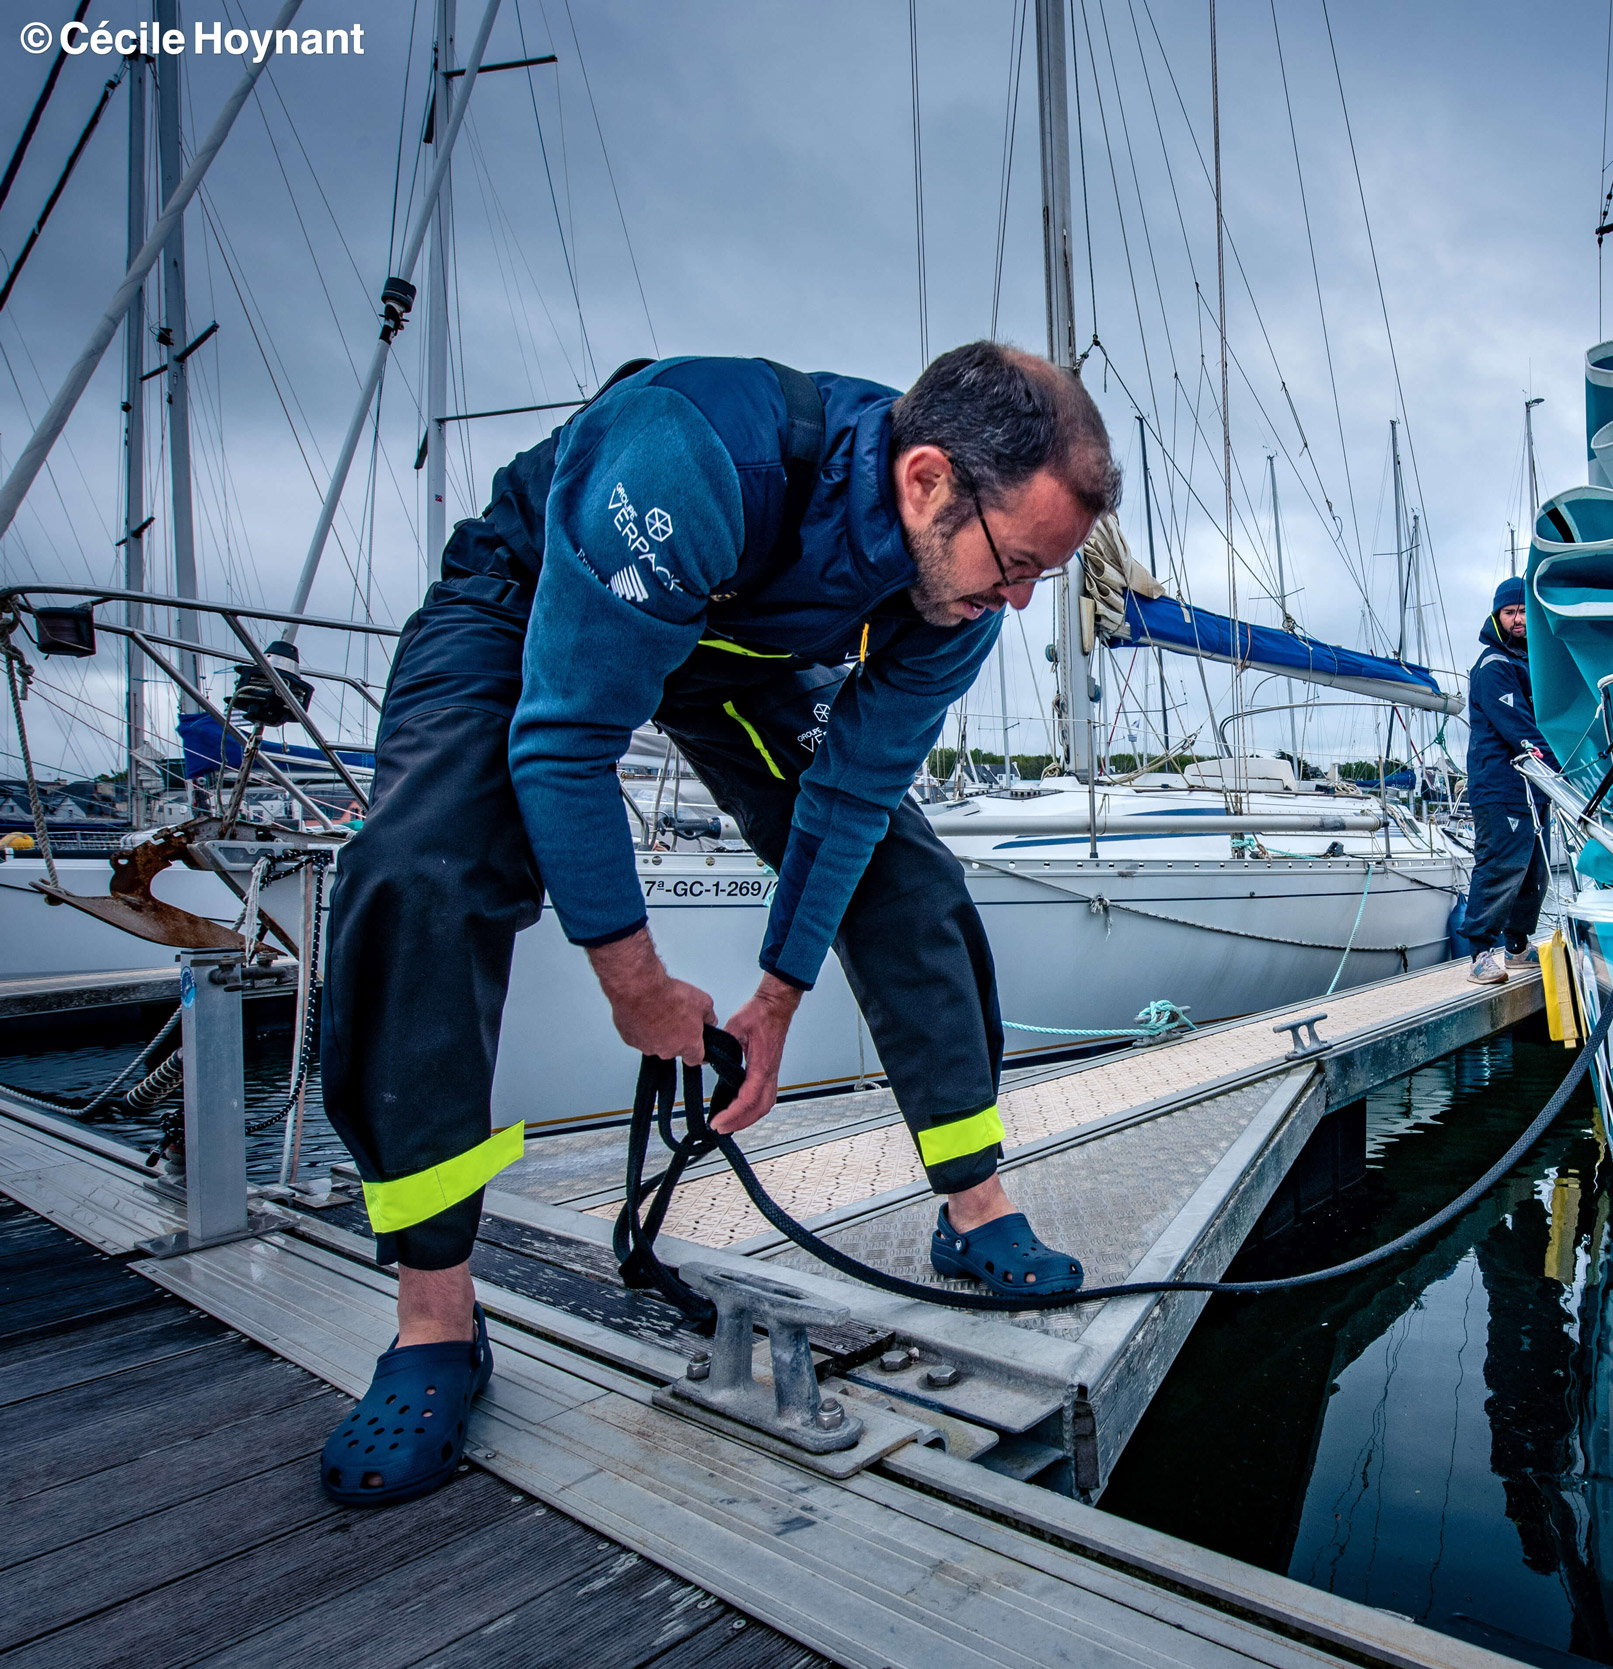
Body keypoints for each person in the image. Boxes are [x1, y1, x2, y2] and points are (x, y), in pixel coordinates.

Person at [315, 343, 1117, 1507]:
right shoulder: (692, 457)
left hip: (729, 662)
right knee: (421, 865)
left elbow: (847, 796)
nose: (1022, 601)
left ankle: (972, 1202)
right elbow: (566, 739)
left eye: (1044, 573)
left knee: (910, 882)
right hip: (531, 596)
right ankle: (435, 1318)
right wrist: (634, 980)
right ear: (928, 479)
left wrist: (776, 999)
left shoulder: (961, 598)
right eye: (1019, 564)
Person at [1456, 576, 1558, 984]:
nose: (1517, 620)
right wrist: (1557, 766)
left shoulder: (1529, 664)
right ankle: (1480, 952)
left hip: (1533, 789)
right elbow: (1518, 726)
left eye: (1522, 612)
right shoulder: (1494, 666)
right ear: (1497, 617)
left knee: (1535, 872)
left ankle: (1517, 947)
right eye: (1510, 613)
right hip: (1501, 786)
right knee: (1501, 865)